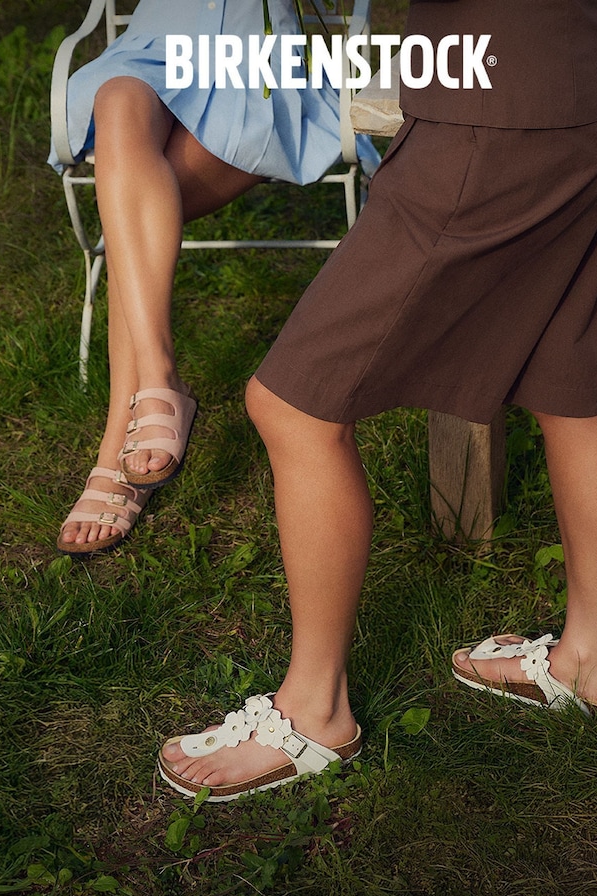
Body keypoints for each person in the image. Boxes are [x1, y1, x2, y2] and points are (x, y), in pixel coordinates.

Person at [158, 0, 597, 801]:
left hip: (502, 108)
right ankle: (590, 661)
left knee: (294, 405)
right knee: (572, 379)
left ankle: (314, 711)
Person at [50, 0, 378, 557]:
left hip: (254, 66)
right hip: (153, 50)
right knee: (118, 97)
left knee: (130, 210)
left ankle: (116, 444)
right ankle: (158, 378)